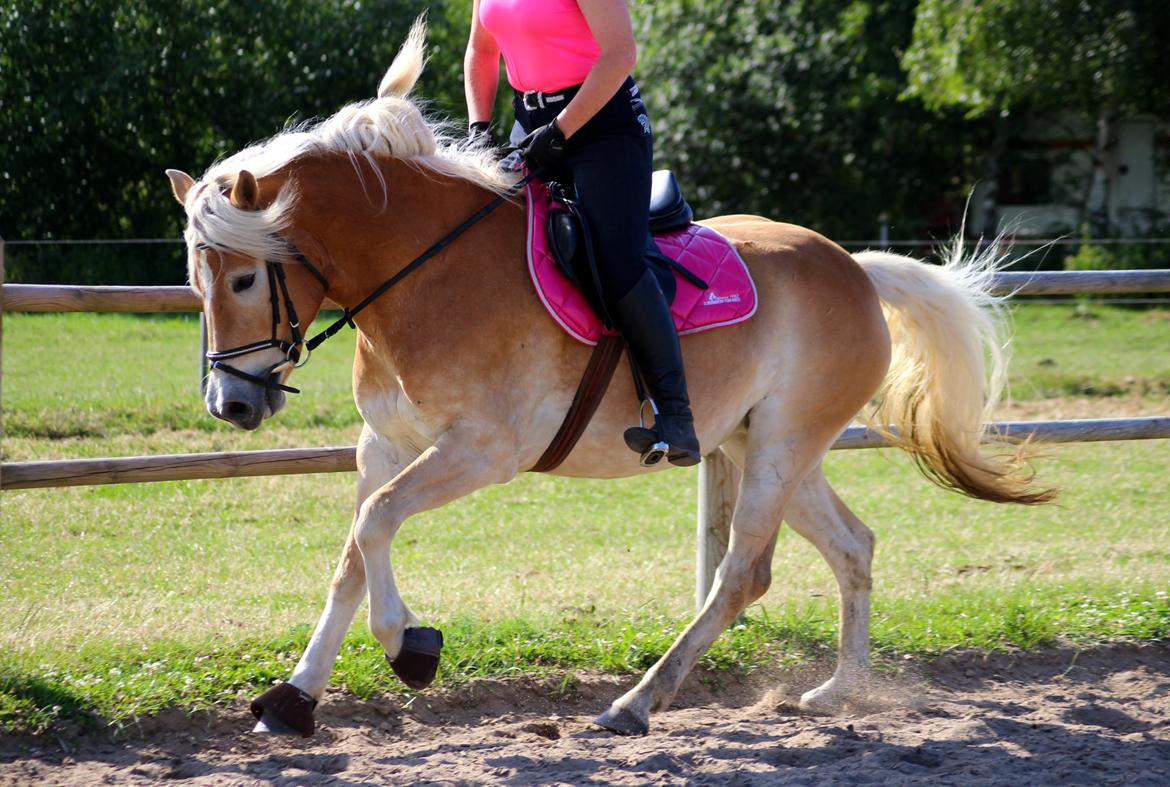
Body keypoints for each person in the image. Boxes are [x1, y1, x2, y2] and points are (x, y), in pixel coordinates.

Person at [464, 0, 700, 467]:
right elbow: (480, 51)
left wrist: (561, 130)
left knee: (616, 262)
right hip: (529, 125)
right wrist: (478, 128)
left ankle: (677, 417)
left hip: (602, 127)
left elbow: (621, 54)